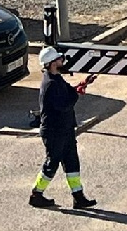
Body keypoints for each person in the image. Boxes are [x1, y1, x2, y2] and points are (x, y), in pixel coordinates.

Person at [29, 46, 97, 209]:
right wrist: (76, 94)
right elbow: (64, 104)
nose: (62, 61)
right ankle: (36, 195)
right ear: (52, 63)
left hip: (64, 129)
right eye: (59, 59)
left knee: (72, 162)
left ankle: (78, 197)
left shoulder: (57, 78)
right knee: (52, 163)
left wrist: (81, 84)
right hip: (54, 131)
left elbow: (68, 93)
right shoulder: (50, 84)